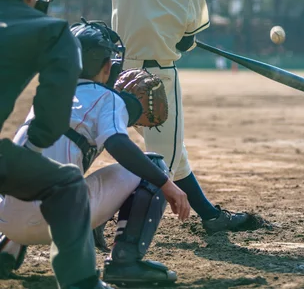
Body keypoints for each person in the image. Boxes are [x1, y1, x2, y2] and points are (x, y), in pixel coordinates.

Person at [0, 20, 190, 285]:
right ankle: (126, 261)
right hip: (55, 221)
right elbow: (118, 145)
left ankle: (6, 251)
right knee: (154, 165)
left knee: (43, 169)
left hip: (6, 218)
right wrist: (167, 184)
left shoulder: (50, 95)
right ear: (106, 67)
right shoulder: (105, 98)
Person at [102, 0, 249, 234]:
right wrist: (179, 36)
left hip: (117, 73)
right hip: (157, 79)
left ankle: (210, 216)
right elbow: (185, 41)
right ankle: (122, 241)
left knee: (169, 151)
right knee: (160, 164)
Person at [0, 0, 109, 288]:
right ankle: (81, 284)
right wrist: (33, 147)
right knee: (65, 183)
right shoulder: (50, 30)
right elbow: (51, 111)